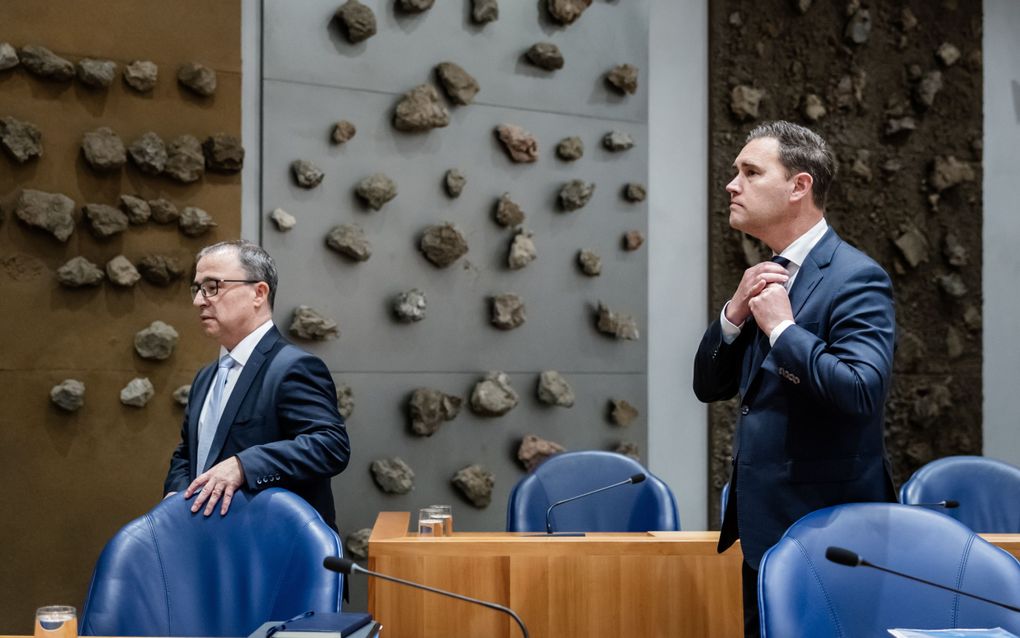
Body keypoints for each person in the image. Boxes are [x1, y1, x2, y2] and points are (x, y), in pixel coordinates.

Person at [693, 121, 897, 637]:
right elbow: (710, 388)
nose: (731, 185)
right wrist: (732, 318)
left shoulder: (856, 277)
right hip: (764, 534)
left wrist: (783, 329)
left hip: (831, 536)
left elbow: (859, 390)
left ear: (798, 186)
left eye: (750, 172)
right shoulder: (769, 275)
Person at [164, 240, 350, 529]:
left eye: (212, 286)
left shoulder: (293, 367)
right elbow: (187, 452)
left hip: (275, 552)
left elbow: (330, 446)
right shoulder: (205, 377)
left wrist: (243, 466)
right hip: (207, 548)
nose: (199, 300)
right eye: (198, 288)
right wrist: (176, 496)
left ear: (258, 293)